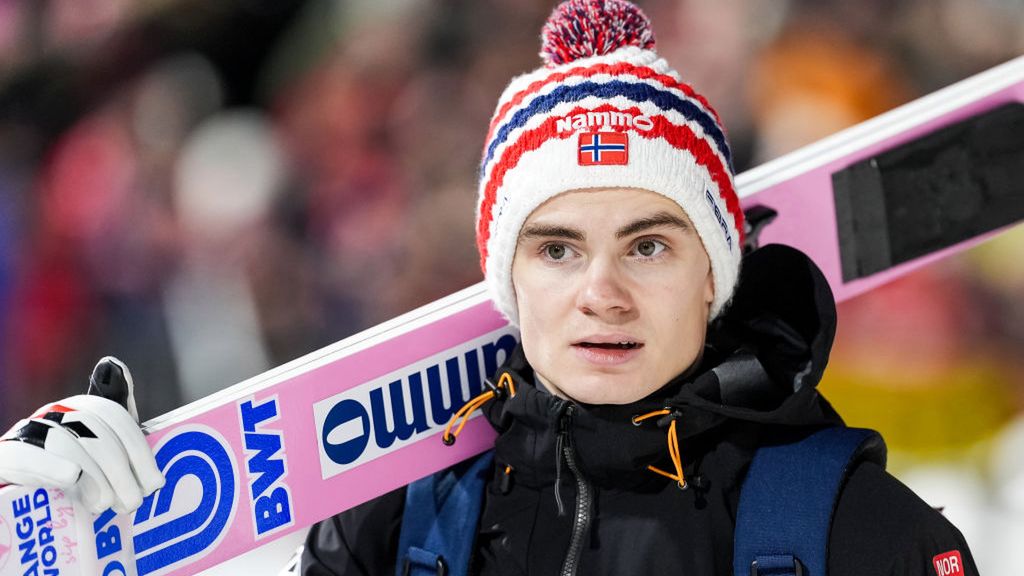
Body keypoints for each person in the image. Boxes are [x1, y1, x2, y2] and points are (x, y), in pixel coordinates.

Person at [0, 1, 978, 575]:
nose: (601, 291)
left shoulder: (851, 530)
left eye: (647, 247)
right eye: (556, 249)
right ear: (506, 278)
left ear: (714, 272)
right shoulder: (402, 527)